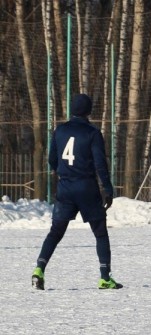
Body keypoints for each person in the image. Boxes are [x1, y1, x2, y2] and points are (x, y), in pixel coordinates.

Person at [31, 93, 121, 290]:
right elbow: (100, 163)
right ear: (89, 111)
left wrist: (62, 172)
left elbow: (52, 159)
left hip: (65, 186)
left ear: (72, 110)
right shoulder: (92, 132)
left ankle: (39, 269)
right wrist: (107, 188)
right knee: (100, 233)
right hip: (86, 187)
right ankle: (105, 277)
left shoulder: (60, 130)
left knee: (55, 232)